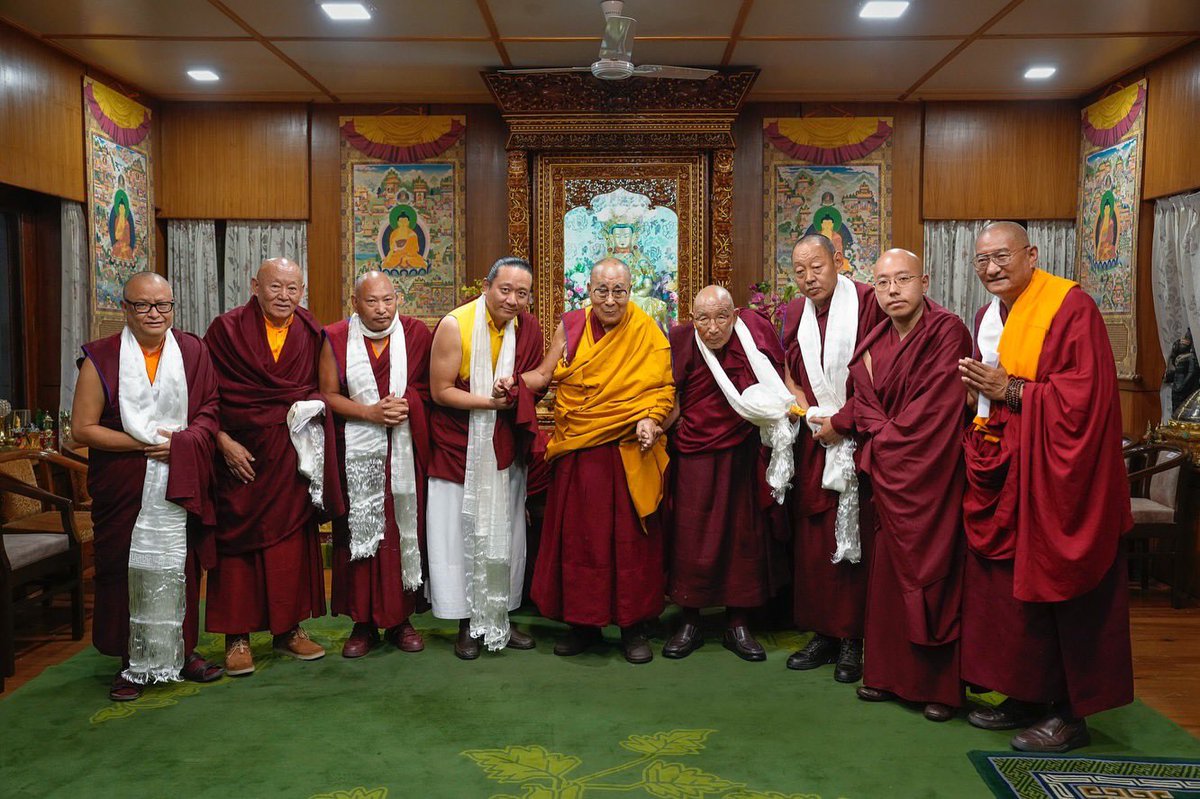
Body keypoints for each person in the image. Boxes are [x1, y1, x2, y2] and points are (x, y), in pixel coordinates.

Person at [959, 221, 1133, 752]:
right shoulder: (990, 317)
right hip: (1010, 469)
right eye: (982, 260)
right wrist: (981, 398)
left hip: (1061, 477)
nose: (991, 268)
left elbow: (1083, 403)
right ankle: (1028, 693)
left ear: (1031, 255)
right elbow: (990, 393)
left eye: (1002, 256)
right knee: (1011, 592)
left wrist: (1010, 391)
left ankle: (1070, 714)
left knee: (1061, 585)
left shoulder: (1070, 307)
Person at [72, 272, 224, 700]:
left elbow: (210, 410)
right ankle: (131, 662)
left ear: (173, 306)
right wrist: (145, 444)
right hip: (125, 481)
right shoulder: (101, 357)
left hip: (179, 477)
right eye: (142, 305)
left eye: (163, 305)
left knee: (180, 566)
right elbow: (82, 428)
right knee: (125, 569)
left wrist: (183, 444)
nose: (154, 313)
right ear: (126, 308)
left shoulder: (193, 350)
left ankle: (182, 651)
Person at [528, 258, 675, 664]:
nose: (610, 300)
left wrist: (651, 419)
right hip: (580, 451)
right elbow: (544, 374)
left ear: (630, 291)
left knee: (631, 543)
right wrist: (513, 383)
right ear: (589, 291)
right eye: (602, 291)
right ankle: (583, 625)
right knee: (581, 540)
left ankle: (633, 626)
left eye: (619, 291)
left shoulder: (646, 329)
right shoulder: (572, 325)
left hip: (628, 451)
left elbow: (663, 388)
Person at [847, 249, 971, 722]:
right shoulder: (875, 339)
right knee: (887, 576)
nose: (892, 290)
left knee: (933, 572)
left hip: (931, 474)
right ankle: (884, 675)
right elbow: (862, 403)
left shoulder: (947, 332)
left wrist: (882, 442)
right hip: (890, 477)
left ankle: (938, 688)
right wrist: (884, 440)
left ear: (925, 281)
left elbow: (937, 407)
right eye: (882, 282)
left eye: (902, 279)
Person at [203, 257, 343, 676]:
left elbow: (322, 390)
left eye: (292, 288)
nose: (284, 296)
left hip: (289, 456)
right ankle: (237, 638)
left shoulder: (311, 332)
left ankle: (288, 630)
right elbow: (204, 395)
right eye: (275, 286)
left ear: (302, 291)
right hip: (241, 456)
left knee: (290, 545)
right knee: (238, 547)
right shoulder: (226, 330)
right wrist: (221, 441)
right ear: (255, 286)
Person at [660, 285, 790, 661]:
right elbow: (670, 393)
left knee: (741, 534)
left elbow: (774, 383)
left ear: (734, 315)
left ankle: (738, 622)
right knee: (691, 534)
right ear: (691, 319)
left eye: (721, 317)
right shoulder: (681, 341)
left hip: (741, 450)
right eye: (703, 318)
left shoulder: (751, 337)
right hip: (693, 451)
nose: (713, 327)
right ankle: (690, 620)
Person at [779, 233, 884, 682]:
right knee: (815, 538)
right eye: (799, 270)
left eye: (817, 267)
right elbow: (789, 370)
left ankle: (853, 639)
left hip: (856, 434)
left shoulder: (867, 301)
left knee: (856, 535)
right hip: (815, 436)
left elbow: (881, 371)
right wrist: (803, 406)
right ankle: (823, 632)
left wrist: (843, 421)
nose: (808, 278)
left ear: (838, 261)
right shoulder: (794, 312)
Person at [426, 256, 543, 659]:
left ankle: (499, 617)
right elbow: (441, 391)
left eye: (522, 293)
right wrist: (491, 402)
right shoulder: (455, 325)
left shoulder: (527, 328)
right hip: (457, 449)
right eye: (505, 290)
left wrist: (515, 389)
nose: (512, 300)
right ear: (486, 287)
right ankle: (466, 624)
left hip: (502, 448)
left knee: (505, 534)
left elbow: (535, 380)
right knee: (459, 535)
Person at [319, 271, 432, 658]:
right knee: (358, 534)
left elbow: (429, 390)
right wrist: (370, 412)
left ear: (398, 298)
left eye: (388, 299)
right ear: (355, 303)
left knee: (401, 531)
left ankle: (401, 619)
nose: (382, 309)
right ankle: (362, 623)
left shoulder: (416, 334)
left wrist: (408, 404)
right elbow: (327, 395)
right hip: (357, 455)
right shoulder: (336, 337)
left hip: (402, 453)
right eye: (371, 301)